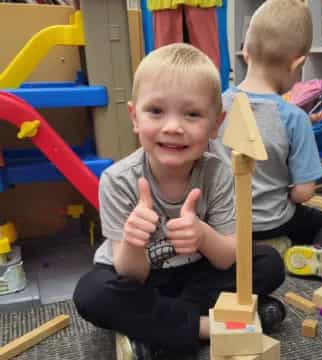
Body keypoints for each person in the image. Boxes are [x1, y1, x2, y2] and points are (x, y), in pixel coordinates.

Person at [73, 43, 286, 359]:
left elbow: (227, 258)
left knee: (267, 262)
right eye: (156, 111)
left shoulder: (219, 173)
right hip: (141, 281)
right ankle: (207, 327)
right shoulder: (118, 180)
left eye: (192, 114)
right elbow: (130, 275)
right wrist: (133, 240)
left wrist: (202, 234)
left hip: (195, 276)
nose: (173, 127)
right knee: (91, 294)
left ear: (216, 124)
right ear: (134, 116)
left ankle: (158, 332)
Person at [210, 0, 322, 286]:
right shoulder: (293, 117)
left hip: (221, 225)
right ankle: (311, 252)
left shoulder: (214, 107)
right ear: (298, 63)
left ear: (245, 51)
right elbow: (305, 192)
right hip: (271, 221)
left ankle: (264, 249)